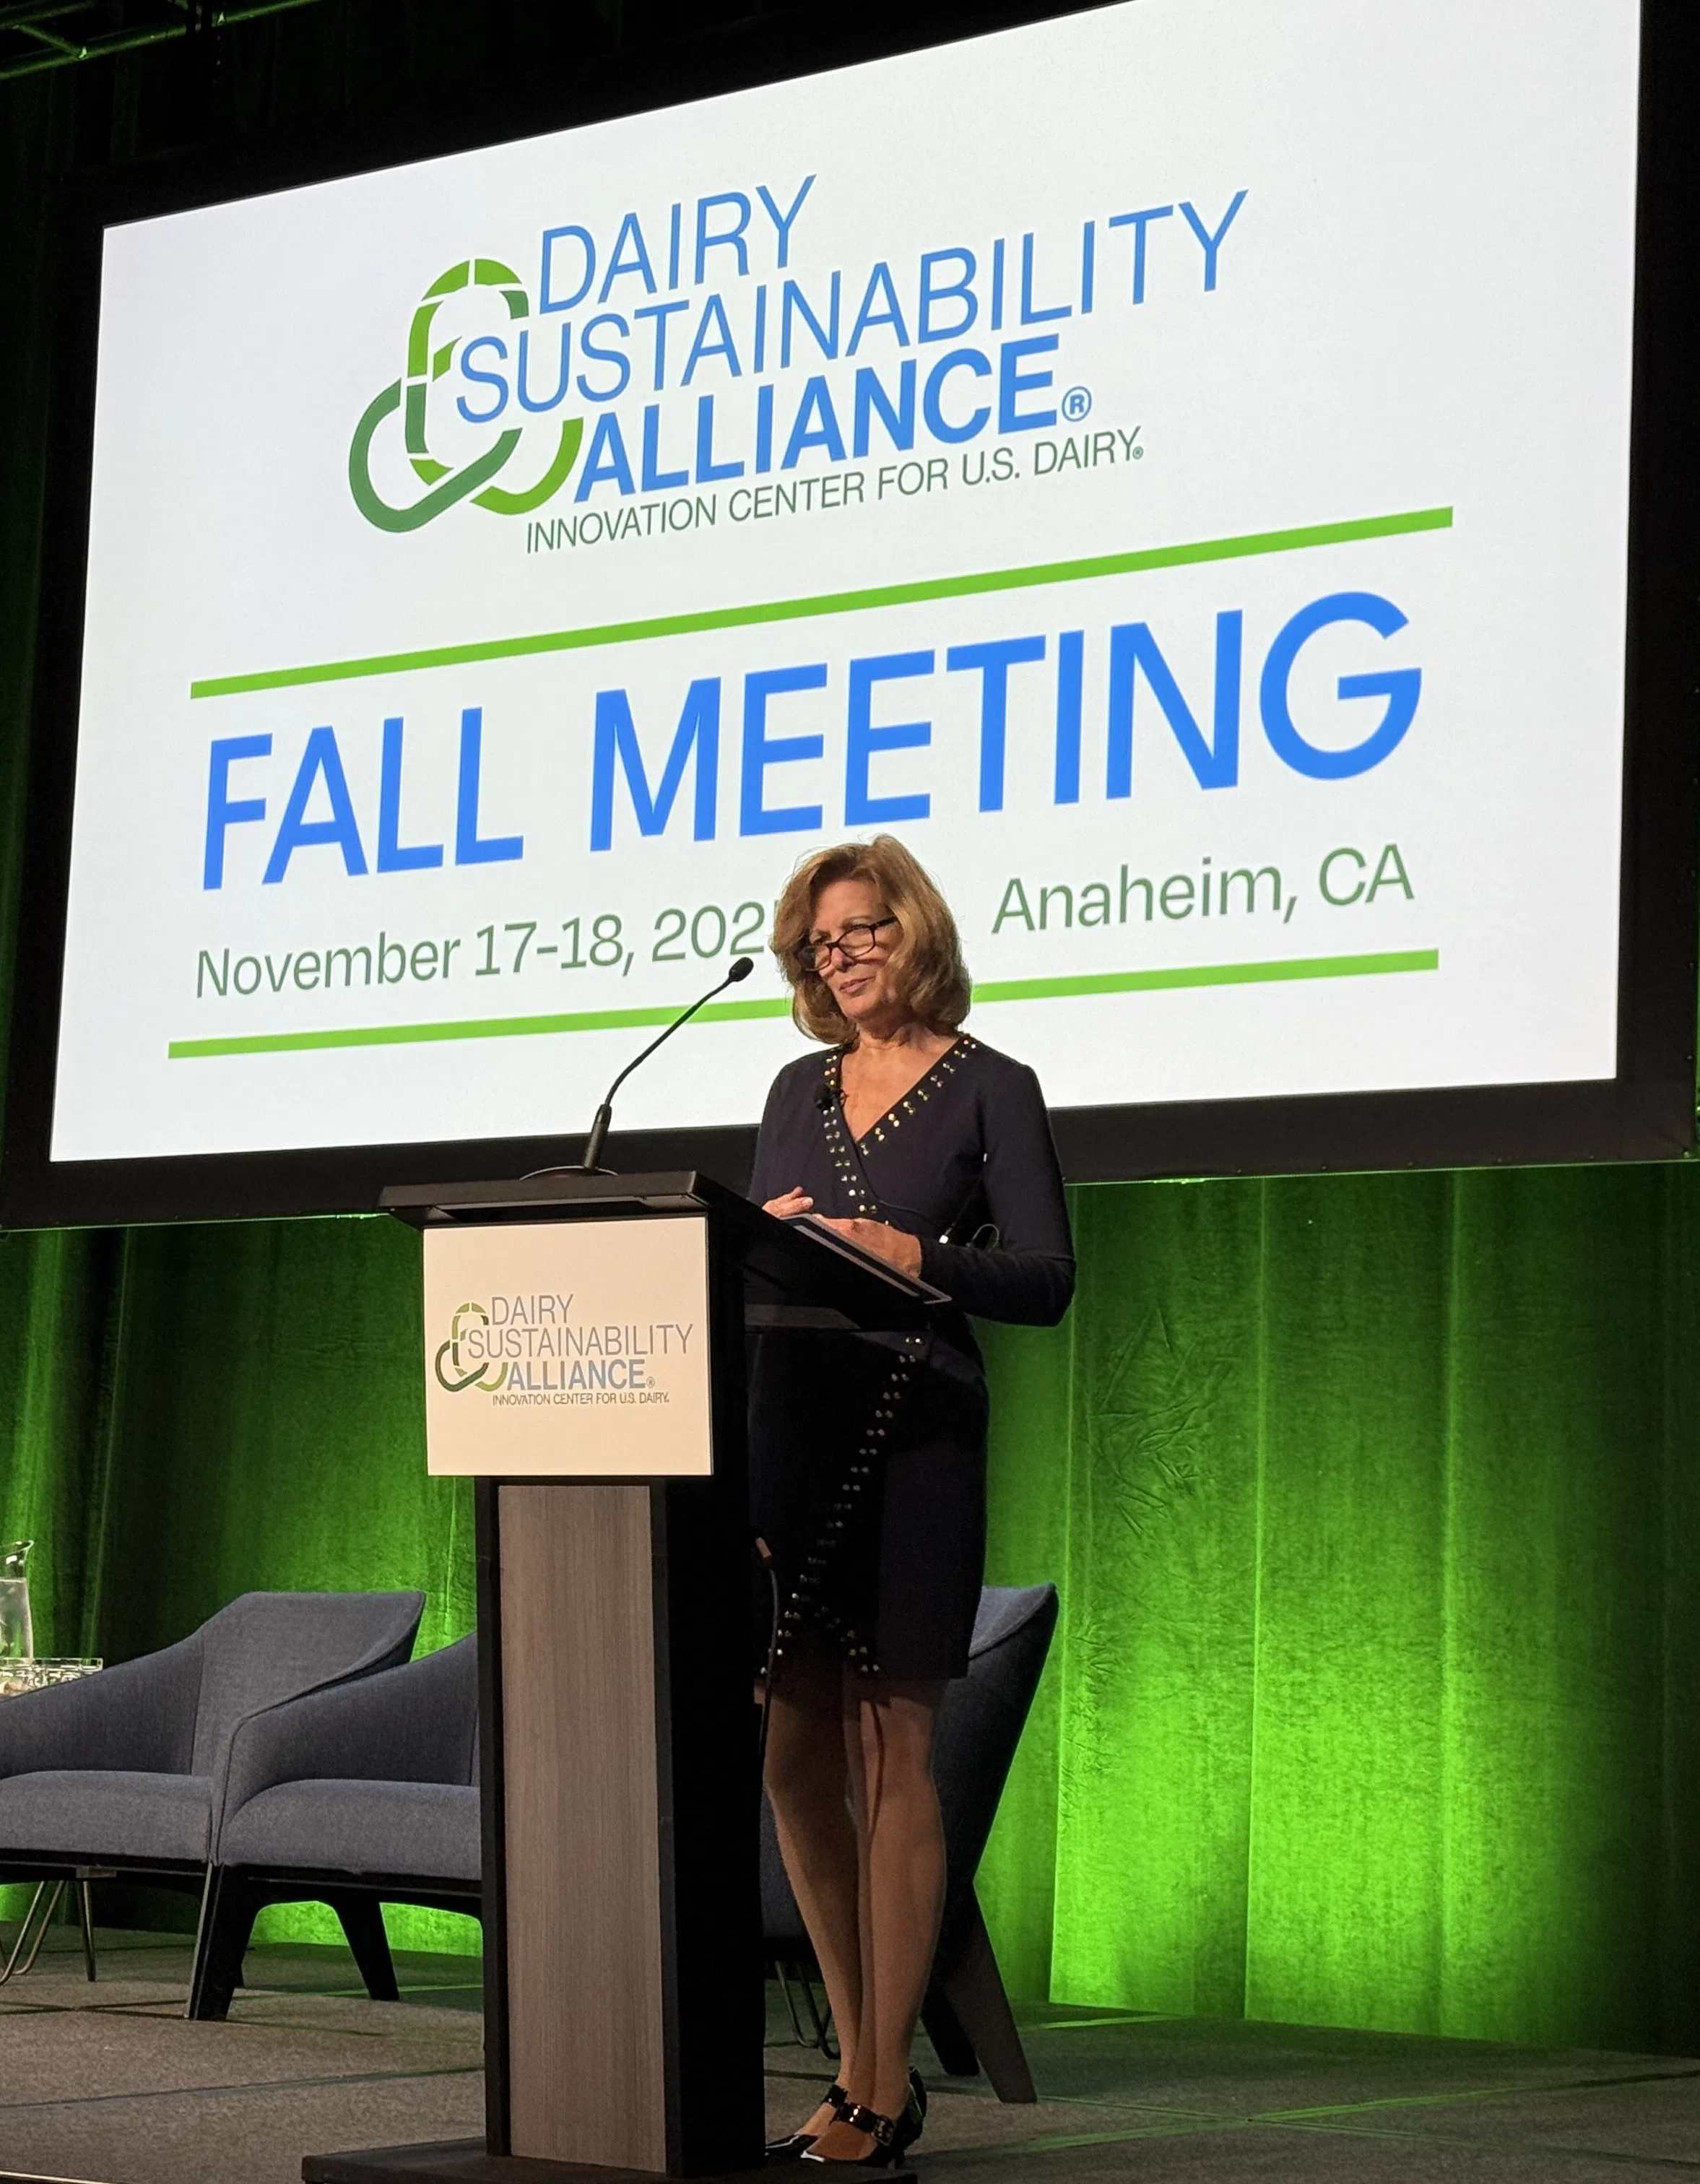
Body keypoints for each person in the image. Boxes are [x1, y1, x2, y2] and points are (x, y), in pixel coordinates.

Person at [750, 835, 1074, 2169]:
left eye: (863, 931)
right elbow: (760, 1261)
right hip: (791, 1433)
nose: (842, 957)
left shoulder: (992, 1087)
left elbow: (1045, 1278)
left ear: (916, 932)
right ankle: (854, 2051)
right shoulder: (794, 1086)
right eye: (821, 942)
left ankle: (879, 2081)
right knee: (790, 1755)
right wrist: (760, 1236)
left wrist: (912, 1252)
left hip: (915, 1433)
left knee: (891, 1746)